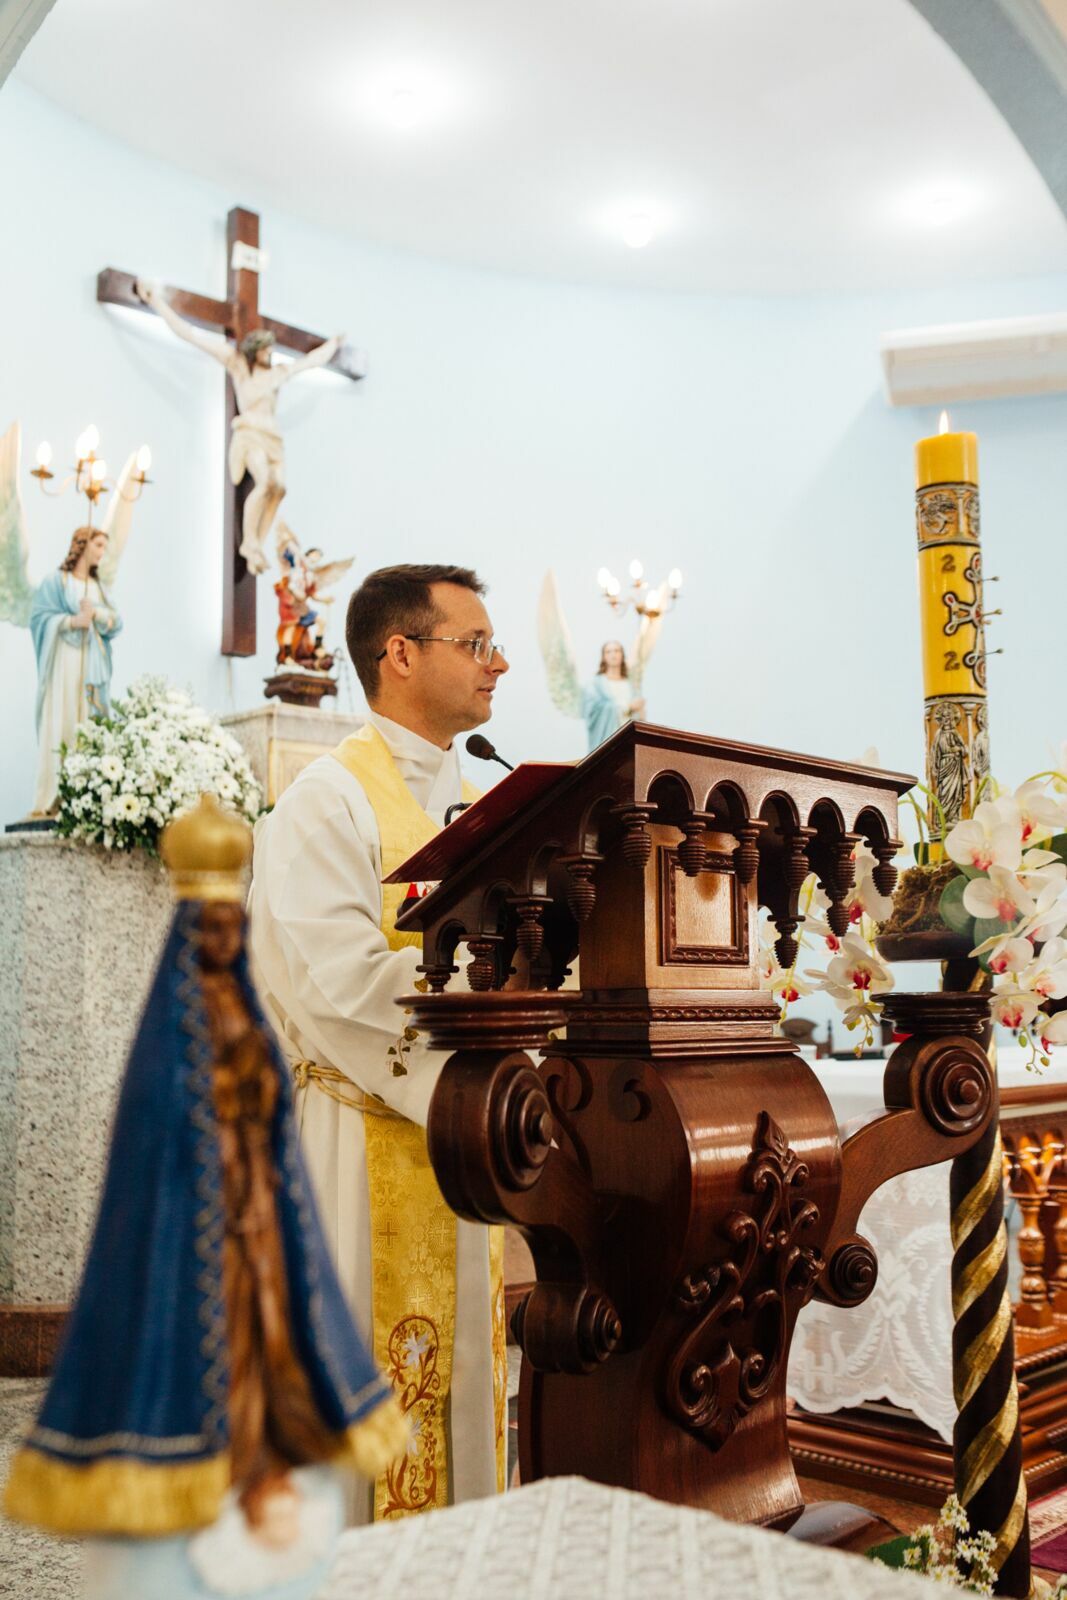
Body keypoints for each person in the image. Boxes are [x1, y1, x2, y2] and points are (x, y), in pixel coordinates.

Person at [4, 795, 404, 1600]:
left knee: (267, 1357)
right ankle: (197, 1474)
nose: (225, 941)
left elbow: (269, 1121)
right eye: (211, 930)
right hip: (189, 1237)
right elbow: (158, 1142)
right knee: (200, 1355)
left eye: (233, 929)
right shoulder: (168, 1040)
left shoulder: (244, 1019)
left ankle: (258, 1467)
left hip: (255, 1226)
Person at [248, 564, 511, 1523]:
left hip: (459, 1143)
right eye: (475, 644)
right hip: (354, 1152)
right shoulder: (326, 800)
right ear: (399, 654)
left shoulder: (487, 800)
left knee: (466, 1405)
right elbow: (339, 981)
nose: (500, 664)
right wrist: (498, 991)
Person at [135, 279, 343, 574]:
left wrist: (333, 345)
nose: (270, 353)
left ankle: (257, 539)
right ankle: (249, 543)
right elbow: (190, 334)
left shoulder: (277, 374)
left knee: (279, 487)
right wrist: (156, 301)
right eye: (266, 349)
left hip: (273, 439)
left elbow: (310, 362)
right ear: (255, 349)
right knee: (266, 482)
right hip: (250, 435)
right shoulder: (238, 367)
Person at [29, 525, 122, 814]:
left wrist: (95, 615)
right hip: (63, 664)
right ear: (81, 546)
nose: (101, 553)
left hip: (91, 664)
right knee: (62, 721)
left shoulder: (98, 589)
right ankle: (53, 797)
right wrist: (70, 622)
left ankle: (83, 796)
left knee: (87, 724)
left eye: (104, 547)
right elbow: (40, 618)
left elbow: (116, 622)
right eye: (98, 546)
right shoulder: (57, 582)